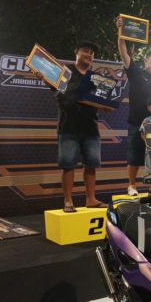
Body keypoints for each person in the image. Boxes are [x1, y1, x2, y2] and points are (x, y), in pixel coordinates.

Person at [48, 41, 106, 213]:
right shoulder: (65, 72)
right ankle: (68, 200)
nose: (89, 55)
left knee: (91, 165)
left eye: (92, 53)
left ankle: (91, 199)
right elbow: (56, 91)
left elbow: (103, 98)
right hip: (69, 127)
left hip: (90, 127)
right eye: (86, 51)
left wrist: (106, 104)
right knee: (68, 165)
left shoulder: (96, 77)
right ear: (77, 52)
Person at [116, 17, 151, 196]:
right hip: (136, 122)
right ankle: (132, 185)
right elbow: (124, 54)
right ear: (146, 61)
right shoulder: (137, 73)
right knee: (134, 156)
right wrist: (121, 34)